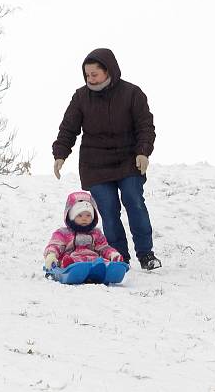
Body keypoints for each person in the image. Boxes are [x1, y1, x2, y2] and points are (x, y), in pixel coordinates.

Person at [52, 48, 161, 270]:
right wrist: (60, 154)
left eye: (94, 74)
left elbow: (145, 126)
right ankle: (119, 257)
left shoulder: (132, 94)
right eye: (87, 75)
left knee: (134, 202)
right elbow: (68, 128)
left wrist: (143, 151)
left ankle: (146, 254)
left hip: (128, 160)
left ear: (108, 71)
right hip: (95, 164)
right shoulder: (81, 97)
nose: (90, 79)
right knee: (109, 210)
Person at [44, 191, 124, 269]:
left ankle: (111, 268)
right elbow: (55, 245)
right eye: (80, 215)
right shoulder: (63, 233)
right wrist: (51, 255)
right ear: (71, 216)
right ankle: (70, 267)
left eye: (88, 215)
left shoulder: (96, 233)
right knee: (71, 262)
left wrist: (112, 254)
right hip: (72, 260)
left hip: (93, 261)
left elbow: (103, 248)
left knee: (102, 262)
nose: (84, 219)